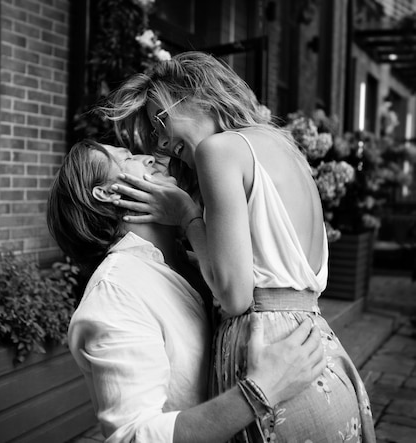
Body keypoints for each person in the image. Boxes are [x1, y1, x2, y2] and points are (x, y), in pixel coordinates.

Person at [101, 51, 375, 442]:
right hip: (321, 354)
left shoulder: (220, 151)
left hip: (270, 363)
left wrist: (187, 216)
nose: (161, 141)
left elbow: (235, 297)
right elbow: (265, 265)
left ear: (198, 95)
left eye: (160, 119)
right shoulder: (283, 148)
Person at [46, 139, 325, 443]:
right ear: (108, 192)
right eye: (127, 159)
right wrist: (262, 389)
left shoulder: (197, 262)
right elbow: (133, 436)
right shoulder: (116, 293)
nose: (150, 158)